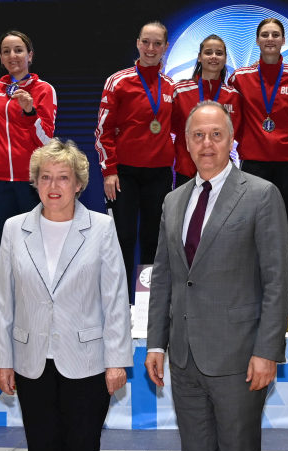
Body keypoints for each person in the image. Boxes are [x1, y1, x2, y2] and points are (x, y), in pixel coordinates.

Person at [146, 101, 288, 451]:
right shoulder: (173, 200)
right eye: (197, 135)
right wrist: (156, 342)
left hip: (239, 356)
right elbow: (165, 277)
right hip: (184, 355)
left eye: (216, 135)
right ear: (185, 143)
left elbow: (276, 280)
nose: (206, 144)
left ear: (232, 140)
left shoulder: (261, 195)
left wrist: (267, 350)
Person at [0, 139, 131, 451]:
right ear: (34, 183)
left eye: (63, 178)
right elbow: (3, 298)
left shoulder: (101, 228)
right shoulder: (14, 228)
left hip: (88, 363)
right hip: (31, 362)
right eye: (46, 177)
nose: (54, 186)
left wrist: (117, 360)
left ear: (79, 184)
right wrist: (2, 359)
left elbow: (115, 297)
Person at [96, 21, 176, 294]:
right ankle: (120, 301)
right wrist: (109, 171)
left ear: (165, 47)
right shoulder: (118, 81)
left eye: (157, 43)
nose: (151, 48)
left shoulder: (170, 86)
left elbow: (178, 129)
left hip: (159, 175)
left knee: (153, 240)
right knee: (123, 238)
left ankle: (145, 303)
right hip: (124, 175)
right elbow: (103, 130)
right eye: (146, 42)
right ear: (138, 43)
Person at [229, 17, 288, 243]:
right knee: (251, 223)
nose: (270, 39)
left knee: (285, 224)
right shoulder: (240, 78)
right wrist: (245, 138)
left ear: (284, 40)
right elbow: (230, 118)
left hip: (286, 163)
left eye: (275, 35)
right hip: (252, 162)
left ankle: (285, 265)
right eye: (265, 35)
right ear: (257, 40)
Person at [0, 30, 58, 268]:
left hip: (30, 182)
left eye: (18, 50)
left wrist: (30, 112)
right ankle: (0, 292)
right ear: (1, 58)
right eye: (6, 51)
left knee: (34, 247)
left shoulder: (44, 89)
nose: (12, 55)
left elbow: (47, 140)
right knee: (1, 245)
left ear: (30, 55)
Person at [170, 35, 242, 187]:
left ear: (225, 59)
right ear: (199, 57)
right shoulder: (180, 91)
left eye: (219, 53)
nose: (213, 57)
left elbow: (238, 132)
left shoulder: (233, 96)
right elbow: (168, 127)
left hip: (221, 175)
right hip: (187, 173)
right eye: (208, 52)